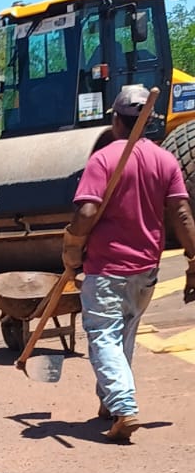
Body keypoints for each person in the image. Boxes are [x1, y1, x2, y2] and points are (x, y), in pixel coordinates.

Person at [63, 84, 195, 444]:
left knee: (103, 336)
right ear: (148, 123)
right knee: (125, 334)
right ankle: (110, 401)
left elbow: (87, 211)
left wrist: (72, 245)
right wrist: (193, 256)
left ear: (116, 121)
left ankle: (123, 406)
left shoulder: (104, 159)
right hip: (145, 270)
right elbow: (181, 213)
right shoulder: (165, 160)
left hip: (107, 268)